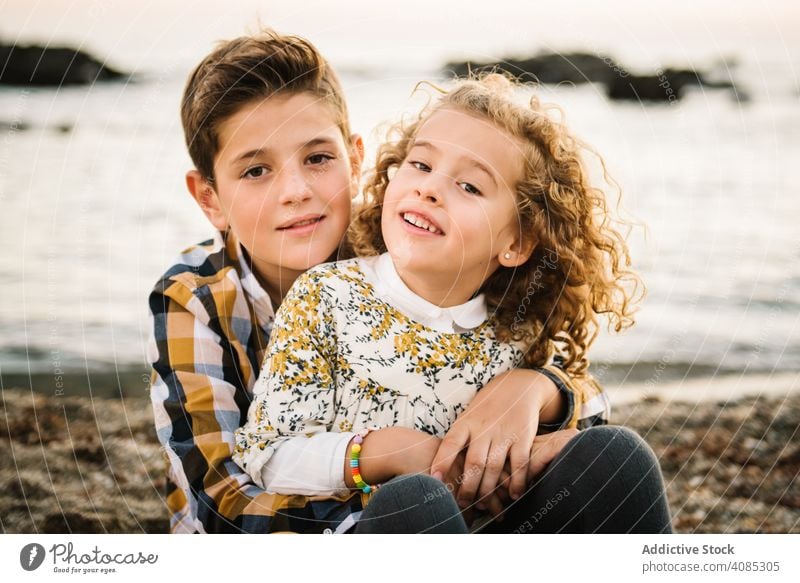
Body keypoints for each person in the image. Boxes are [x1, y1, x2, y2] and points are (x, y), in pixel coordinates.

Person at [147, 30, 590, 534]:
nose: (295, 191)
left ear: (355, 160)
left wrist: (529, 388)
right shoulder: (195, 298)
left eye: (317, 159)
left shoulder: (413, 247)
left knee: (613, 458)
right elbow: (221, 498)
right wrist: (386, 487)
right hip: (289, 535)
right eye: (255, 171)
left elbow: (580, 388)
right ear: (209, 198)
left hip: (442, 519)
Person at [233, 73, 673, 533]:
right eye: (420, 165)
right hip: (374, 536)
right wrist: (394, 453)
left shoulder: (514, 327)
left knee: (617, 456)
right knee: (417, 502)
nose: (429, 189)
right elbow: (268, 454)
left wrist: (533, 391)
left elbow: (591, 406)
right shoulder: (326, 297)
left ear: (517, 243)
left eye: (470, 187)